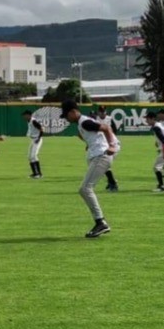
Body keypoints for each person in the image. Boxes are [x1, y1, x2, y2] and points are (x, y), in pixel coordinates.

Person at [62, 100, 117, 238]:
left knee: (85, 189)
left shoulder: (85, 122)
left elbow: (106, 128)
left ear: (73, 112)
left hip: (101, 156)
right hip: (98, 155)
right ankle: (100, 222)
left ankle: (100, 222)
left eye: (67, 115)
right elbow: (92, 135)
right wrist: (89, 143)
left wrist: (112, 145)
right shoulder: (82, 124)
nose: (67, 119)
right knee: (85, 189)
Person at [93, 106, 120, 192]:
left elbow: (115, 131)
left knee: (104, 165)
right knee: (104, 166)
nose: (102, 113)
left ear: (106, 112)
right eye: (100, 111)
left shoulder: (109, 119)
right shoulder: (96, 120)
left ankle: (113, 184)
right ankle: (111, 182)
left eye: (103, 111)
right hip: (104, 144)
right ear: (98, 112)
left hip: (113, 144)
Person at [147, 112, 164, 192]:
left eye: (148, 119)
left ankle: (161, 186)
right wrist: (157, 142)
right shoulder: (160, 124)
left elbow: (163, 139)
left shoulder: (156, 127)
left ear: (152, 119)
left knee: (156, 167)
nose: (146, 121)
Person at [24, 110, 45, 179]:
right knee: (30, 157)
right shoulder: (29, 121)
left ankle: (39, 174)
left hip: (37, 139)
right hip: (33, 139)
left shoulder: (33, 121)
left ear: (29, 115)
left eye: (25, 115)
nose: (24, 116)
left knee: (33, 156)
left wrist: (39, 138)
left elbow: (42, 129)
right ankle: (35, 173)